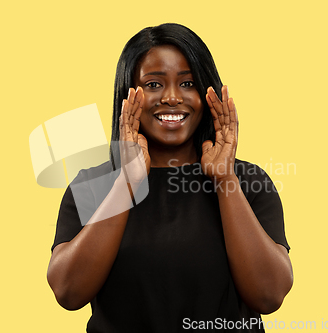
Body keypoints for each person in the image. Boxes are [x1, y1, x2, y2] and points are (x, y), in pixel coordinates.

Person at [47, 23, 293, 332]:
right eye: (153, 85)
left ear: (207, 94)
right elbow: (68, 291)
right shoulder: (93, 185)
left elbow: (269, 295)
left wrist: (225, 180)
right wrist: (127, 182)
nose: (173, 97)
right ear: (127, 96)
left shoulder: (247, 181)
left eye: (188, 83)